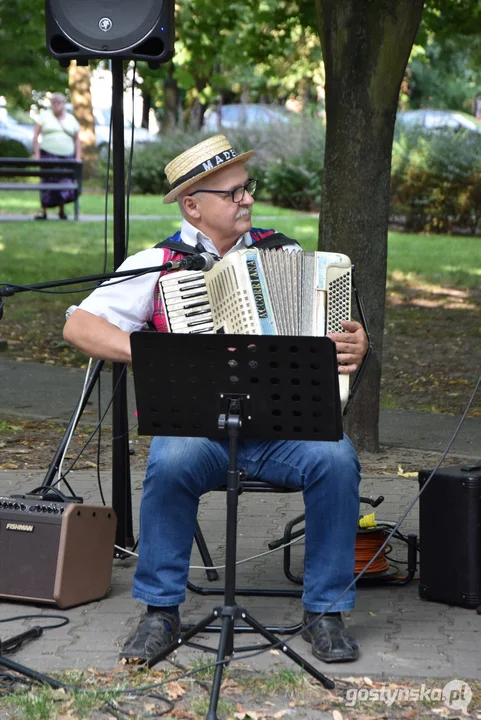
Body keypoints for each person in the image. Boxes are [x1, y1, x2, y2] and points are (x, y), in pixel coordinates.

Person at [63, 134, 369, 665]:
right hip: (199, 431)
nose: (247, 199)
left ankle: (326, 611)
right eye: (233, 193)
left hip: (283, 432)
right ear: (193, 205)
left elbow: (332, 335)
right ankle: (160, 611)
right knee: (169, 460)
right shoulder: (158, 264)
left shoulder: (283, 254)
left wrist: (353, 342)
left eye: (247, 188)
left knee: (337, 458)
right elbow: (79, 325)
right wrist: (153, 354)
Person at [32, 92, 81, 220]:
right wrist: (37, 154)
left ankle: (61, 211)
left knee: (64, 182)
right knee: (47, 181)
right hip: (48, 154)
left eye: (59, 102)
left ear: (64, 104)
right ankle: (43, 212)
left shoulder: (71, 119)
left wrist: (78, 157)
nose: (56, 105)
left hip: (67, 155)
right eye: (54, 102)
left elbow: (77, 139)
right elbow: (35, 136)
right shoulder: (44, 116)